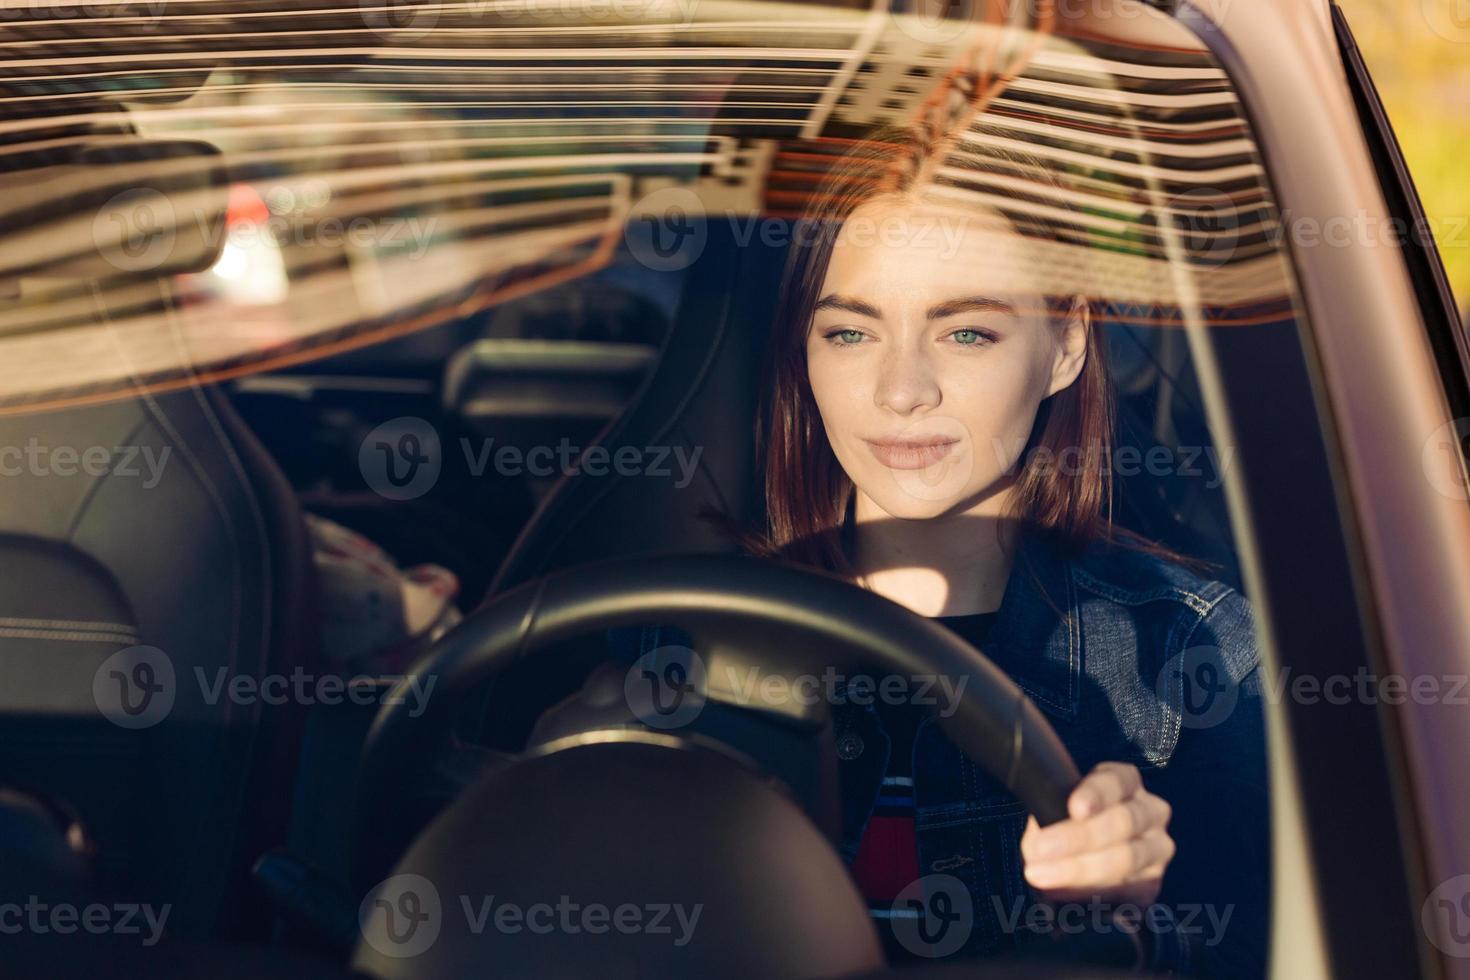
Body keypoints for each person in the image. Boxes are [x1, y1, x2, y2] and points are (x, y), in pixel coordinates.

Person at [615, 82, 1269, 976]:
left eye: (966, 334)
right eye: (850, 334)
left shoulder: (1186, 652)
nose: (899, 391)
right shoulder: (684, 630)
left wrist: (1145, 913)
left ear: (1067, 347)